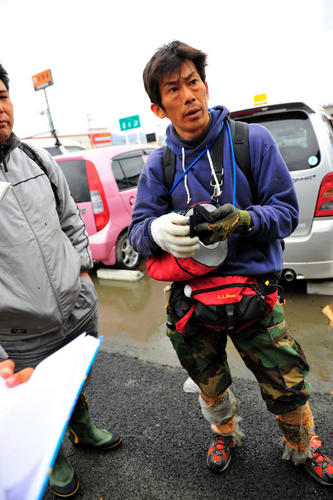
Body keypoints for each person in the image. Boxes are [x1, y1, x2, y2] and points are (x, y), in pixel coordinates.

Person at [128, 41, 333, 486]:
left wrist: (242, 220)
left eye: (193, 82)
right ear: (158, 107)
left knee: (285, 381)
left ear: (205, 85)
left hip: (254, 294)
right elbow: (140, 231)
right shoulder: (160, 164)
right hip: (192, 301)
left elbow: (286, 213)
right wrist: (157, 231)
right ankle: (225, 432)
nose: (188, 96)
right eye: (173, 90)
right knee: (209, 381)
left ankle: (302, 446)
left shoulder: (250, 141)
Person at [0, 64, 122, 498]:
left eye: (1, 96)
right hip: (20, 332)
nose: (0, 109)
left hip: (75, 309)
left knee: (76, 378)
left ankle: (82, 427)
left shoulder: (35, 158)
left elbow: (70, 218)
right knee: (37, 401)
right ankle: (53, 457)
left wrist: (84, 270)